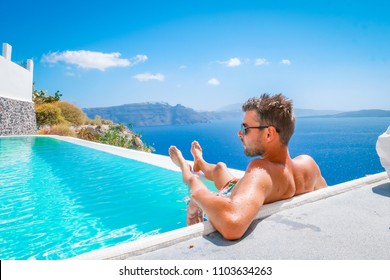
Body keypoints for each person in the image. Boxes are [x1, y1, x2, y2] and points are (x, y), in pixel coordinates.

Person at [169, 93, 327, 240]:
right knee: (220, 168)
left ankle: (183, 163)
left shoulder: (260, 170)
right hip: (243, 188)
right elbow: (329, 197)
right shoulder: (308, 163)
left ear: (269, 134)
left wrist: (197, 198)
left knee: (192, 181)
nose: (239, 133)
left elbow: (232, 224)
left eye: (245, 128)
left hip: (236, 192)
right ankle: (199, 160)